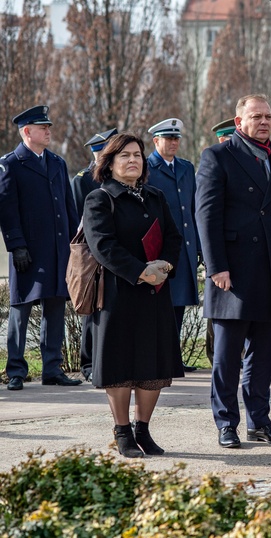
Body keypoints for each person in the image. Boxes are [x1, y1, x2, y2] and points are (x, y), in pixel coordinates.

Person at [196, 94, 271, 449]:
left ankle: (259, 422)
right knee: (227, 357)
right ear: (239, 120)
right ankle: (226, 423)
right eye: (256, 116)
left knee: (263, 356)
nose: (263, 122)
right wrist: (216, 267)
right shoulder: (218, 156)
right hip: (233, 272)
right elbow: (207, 215)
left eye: (268, 117)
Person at [82, 132, 185, 457]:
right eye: (124, 155)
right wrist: (140, 271)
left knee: (152, 364)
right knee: (120, 363)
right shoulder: (100, 199)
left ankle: (143, 429)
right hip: (117, 295)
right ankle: (122, 431)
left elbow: (173, 236)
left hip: (154, 294)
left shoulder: (155, 196)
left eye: (137, 155)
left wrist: (165, 266)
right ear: (108, 163)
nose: (132, 160)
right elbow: (103, 247)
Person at [0, 105, 81, 391]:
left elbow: (68, 208)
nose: (48, 131)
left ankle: (52, 368)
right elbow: (7, 210)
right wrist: (17, 245)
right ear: (26, 132)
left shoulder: (57, 163)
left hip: (58, 249)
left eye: (48, 127)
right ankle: (16, 371)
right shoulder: (10, 164)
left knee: (56, 308)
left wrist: (75, 245)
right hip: (28, 251)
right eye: (42, 127)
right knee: (20, 309)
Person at [146, 118, 200, 373]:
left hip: (184, 247)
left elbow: (192, 209)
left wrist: (198, 246)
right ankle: (158, 358)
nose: (173, 143)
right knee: (159, 306)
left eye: (176, 138)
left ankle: (172, 357)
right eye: (168, 138)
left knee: (178, 305)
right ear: (156, 141)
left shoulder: (187, 168)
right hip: (160, 248)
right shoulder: (147, 168)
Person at [71, 127, 118, 382]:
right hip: (92, 253)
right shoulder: (83, 179)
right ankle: (89, 364)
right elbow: (80, 220)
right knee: (91, 310)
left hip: (116, 251)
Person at [203, 118, 237, 366]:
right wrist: (213, 262)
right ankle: (215, 353)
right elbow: (206, 215)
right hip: (219, 253)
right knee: (219, 313)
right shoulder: (213, 163)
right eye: (229, 139)